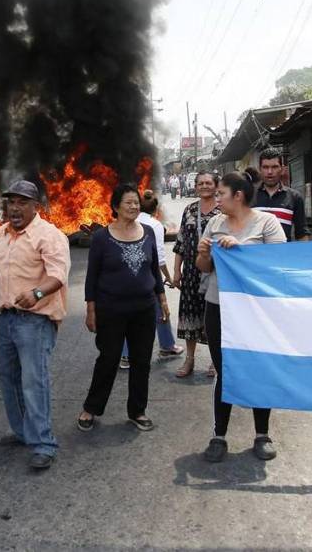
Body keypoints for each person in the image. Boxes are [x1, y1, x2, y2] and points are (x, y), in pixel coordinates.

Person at [0, 180, 71, 470]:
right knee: (8, 378)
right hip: (7, 318)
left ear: (36, 207)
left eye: (22, 202)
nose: (14, 208)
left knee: (34, 382)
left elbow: (58, 275)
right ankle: (22, 432)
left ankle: (44, 443)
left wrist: (37, 293)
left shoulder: (50, 236)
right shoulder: (3, 233)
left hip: (36, 320)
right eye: (11, 202)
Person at [196, 171, 287, 461]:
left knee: (258, 368)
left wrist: (242, 251)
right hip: (218, 306)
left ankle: (262, 434)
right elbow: (203, 268)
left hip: (256, 310)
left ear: (238, 195)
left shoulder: (266, 222)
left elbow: (278, 264)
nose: (217, 198)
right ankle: (219, 436)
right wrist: (203, 253)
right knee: (225, 371)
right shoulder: (214, 223)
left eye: (221, 193)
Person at [78, 184, 169, 433]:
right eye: (128, 202)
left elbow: (154, 272)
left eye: (136, 202)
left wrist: (162, 300)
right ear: (115, 207)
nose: (134, 206)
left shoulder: (149, 232)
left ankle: (137, 410)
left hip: (144, 308)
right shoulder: (101, 238)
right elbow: (92, 277)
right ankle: (91, 408)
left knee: (142, 361)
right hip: (111, 309)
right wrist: (90, 310)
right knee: (108, 359)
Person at [118, 189, 183, 369]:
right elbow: (159, 258)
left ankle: (126, 354)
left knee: (128, 313)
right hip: (147, 277)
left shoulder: (128, 221)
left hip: (126, 275)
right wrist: (169, 278)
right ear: (156, 210)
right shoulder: (154, 225)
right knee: (161, 309)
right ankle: (167, 346)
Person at [172, 171, 221, 377]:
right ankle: (189, 359)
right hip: (191, 273)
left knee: (214, 317)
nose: (204, 186)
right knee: (190, 315)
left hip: (216, 273)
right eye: (200, 183)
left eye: (208, 183)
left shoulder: (223, 210)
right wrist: (176, 271)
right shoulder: (190, 210)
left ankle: (214, 361)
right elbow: (181, 242)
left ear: (216, 185)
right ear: (195, 186)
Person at [253, 147, 309, 242]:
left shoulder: (295, 197)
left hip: (283, 255)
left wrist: (305, 256)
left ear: (282, 169)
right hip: (254, 255)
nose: (270, 172)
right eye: (265, 167)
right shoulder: (249, 195)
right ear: (260, 169)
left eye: (274, 167)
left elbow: (302, 234)